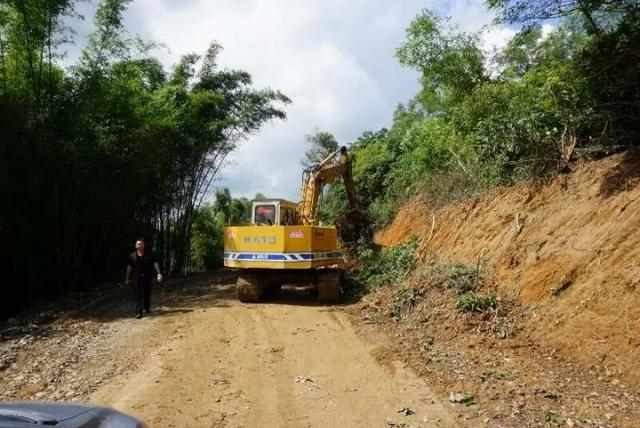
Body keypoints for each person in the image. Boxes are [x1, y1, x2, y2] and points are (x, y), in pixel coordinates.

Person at [125, 239, 162, 319]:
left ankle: (147, 308)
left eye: (141, 244)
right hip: (137, 277)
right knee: (138, 295)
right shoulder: (132, 256)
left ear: (144, 245)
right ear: (136, 246)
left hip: (147, 276)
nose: (140, 245)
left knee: (147, 293)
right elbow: (129, 267)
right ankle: (138, 312)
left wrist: (158, 273)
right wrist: (127, 278)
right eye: (138, 244)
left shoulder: (149, 254)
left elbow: (155, 263)